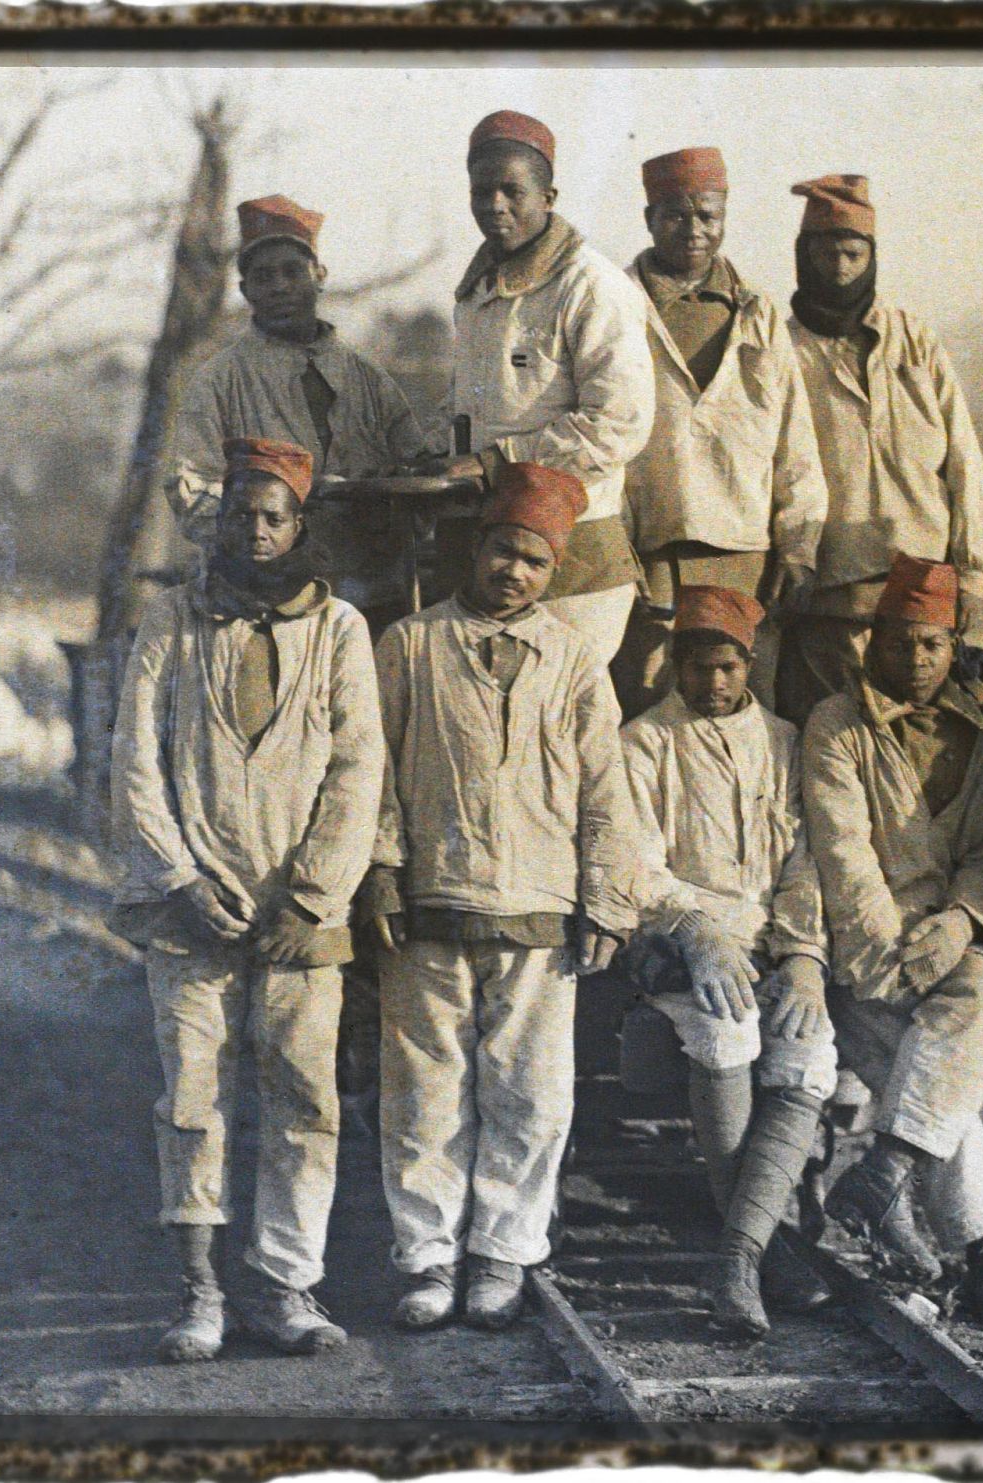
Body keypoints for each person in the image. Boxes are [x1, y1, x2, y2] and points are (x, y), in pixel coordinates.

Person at [109, 437, 385, 1362]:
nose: (257, 532)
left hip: (301, 918)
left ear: (300, 524)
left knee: (304, 1095)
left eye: (275, 516)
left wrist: (310, 898)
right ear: (217, 520)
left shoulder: (339, 630)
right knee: (193, 1095)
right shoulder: (176, 621)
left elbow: (357, 770)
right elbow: (136, 760)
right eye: (241, 514)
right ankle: (200, 1290)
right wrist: (179, 878)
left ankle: (286, 1284)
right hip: (193, 909)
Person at [362, 461, 646, 1333]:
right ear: (474, 549)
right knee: (424, 1090)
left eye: (531, 561)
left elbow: (606, 788)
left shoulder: (572, 661)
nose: (512, 572)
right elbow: (371, 768)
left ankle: (502, 1255)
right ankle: (427, 1258)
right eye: (500, 552)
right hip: (431, 902)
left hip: (538, 907)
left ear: (551, 573)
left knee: (530, 1092)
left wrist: (608, 897)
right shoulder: (410, 645)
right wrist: (379, 865)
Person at [802, 553, 983, 1327]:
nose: (915, 659)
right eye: (899, 642)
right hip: (868, 944)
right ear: (873, 639)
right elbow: (844, 855)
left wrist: (964, 921)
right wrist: (889, 957)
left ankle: (888, 1166)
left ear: (953, 643)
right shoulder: (837, 726)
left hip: (951, 933)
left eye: (932, 644)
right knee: (926, 1054)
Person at [617, 586, 838, 1339]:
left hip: (775, 942)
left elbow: (810, 859)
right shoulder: (644, 742)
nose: (714, 683)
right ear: (676, 663)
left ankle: (737, 1256)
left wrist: (805, 954)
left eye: (729, 666)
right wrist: (695, 927)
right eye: (699, 666)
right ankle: (762, 1256)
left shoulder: (785, 740)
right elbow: (636, 866)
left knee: (808, 1053)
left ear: (751, 661)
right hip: (681, 943)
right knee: (727, 1033)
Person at [423, 110, 656, 672]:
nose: (494, 205)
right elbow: (474, 407)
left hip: (576, 557)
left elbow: (619, 423)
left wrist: (495, 460)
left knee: (566, 724)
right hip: (490, 551)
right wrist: (440, 453)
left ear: (549, 195)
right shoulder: (475, 293)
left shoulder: (592, 285)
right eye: (482, 192)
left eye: (512, 190)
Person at [609, 146, 826, 718]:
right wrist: (619, 551)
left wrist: (798, 547)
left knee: (746, 712)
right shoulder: (617, 308)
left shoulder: (758, 312)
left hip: (744, 552)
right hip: (652, 550)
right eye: (676, 215)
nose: (694, 230)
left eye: (708, 215)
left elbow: (793, 440)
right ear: (650, 218)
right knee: (651, 709)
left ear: (725, 216)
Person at [776, 175, 983, 726]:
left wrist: (971, 570)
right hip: (832, 591)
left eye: (853, 253)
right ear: (804, 256)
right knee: (837, 732)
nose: (840, 267)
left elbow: (964, 458)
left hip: (920, 589)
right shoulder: (783, 347)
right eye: (825, 253)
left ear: (872, 257)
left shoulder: (913, 341)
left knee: (926, 734)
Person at [173, 194, 431, 633]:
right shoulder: (218, 382)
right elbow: (190, 489)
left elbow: (417, 462)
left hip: (372, 591)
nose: (279, 287)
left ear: (320, 276)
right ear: (245, 290)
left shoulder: (367, 379)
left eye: (292, 271)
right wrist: (259, 538)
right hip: (265, 601)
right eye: (263, 276)